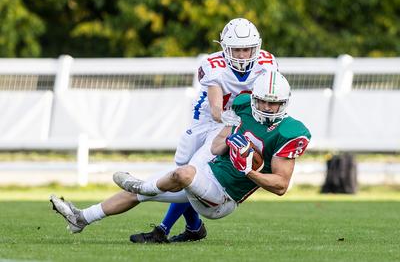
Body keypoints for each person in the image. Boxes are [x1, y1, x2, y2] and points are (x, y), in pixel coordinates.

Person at [50, 71, 311, 242]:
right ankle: (80, 218)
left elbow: (281, 186)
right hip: (210, 174)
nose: (268, 107)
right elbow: (219, 143)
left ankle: (146, 187)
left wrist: (249, 171)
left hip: (223, 198)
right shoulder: (243, 107)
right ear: (254, 98)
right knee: (138, 194)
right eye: (264, 101)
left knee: (182, 173)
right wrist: (230, 139)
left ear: (285, 103)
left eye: (274, 103)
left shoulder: (290, 132)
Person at [125, 17, 280, 243]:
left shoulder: (267, 63)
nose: (243, 55)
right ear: (225, 48)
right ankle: (193, 227)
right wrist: (226, 116)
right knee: (183, 175)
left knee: (192, 176)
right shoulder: (213, 64)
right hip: (207, 122)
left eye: (247, 49)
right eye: (236, 50)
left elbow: (269, 96)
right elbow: (216, 107)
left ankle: (163, 227)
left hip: (234, 123)